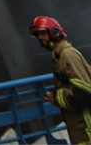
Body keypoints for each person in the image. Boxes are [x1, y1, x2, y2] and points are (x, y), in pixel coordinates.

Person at [29, 15, 91, 144]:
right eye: (38, 35)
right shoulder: (59, 56)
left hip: (86, 129)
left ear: (54, 32)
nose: (40, 38)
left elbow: (83, 93)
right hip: (80, 129)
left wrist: (56, 98)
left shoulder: (67, 55)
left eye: (43, 33)